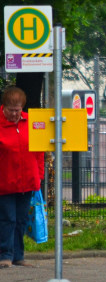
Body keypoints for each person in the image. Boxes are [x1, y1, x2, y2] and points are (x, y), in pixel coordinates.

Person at [0, 86, 45, 269]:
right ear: (4, 107)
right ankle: (5, 255)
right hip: (4, 181)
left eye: (18, 110)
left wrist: (39, 175)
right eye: (11, 110)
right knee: (7, 219)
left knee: (21, 219)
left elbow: (39, 151)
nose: (15, 114)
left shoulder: (30, 123)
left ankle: (18, 255)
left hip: (27, 181)